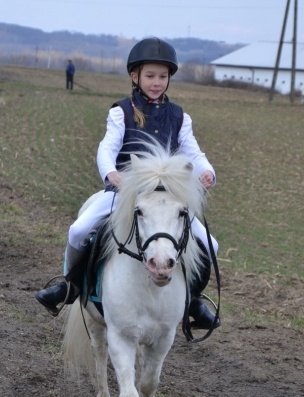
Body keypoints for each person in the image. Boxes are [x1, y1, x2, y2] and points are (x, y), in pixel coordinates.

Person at [35, 37, 220, 329]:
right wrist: (111, 173)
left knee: (211, 245)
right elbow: (107, 148)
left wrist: (206, 171)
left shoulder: (179, 117)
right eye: (150, 76)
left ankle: (194, 299)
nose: (156, 82)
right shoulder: (120, 112)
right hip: (125, 192)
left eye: (162, 76)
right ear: (135, 76)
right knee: (79, 230)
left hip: (165, 198)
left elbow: (193, 152)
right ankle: (71, 285)